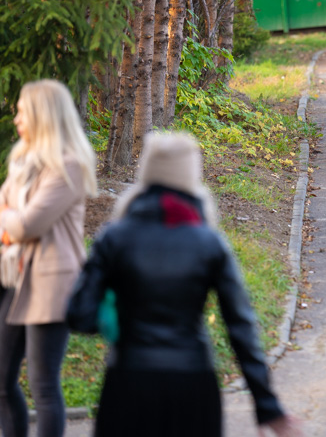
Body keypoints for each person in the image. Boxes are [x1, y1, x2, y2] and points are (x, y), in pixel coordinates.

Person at [66, 133, 300, 437]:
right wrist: (267, 407)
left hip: (128, 382)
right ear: (192, 179)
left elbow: (79, 316)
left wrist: (116, 311)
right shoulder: (209, 243)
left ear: (145, 176)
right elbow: (241, 327)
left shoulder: (114, 238)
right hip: (193, 385)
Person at [0, 79, 97, 437]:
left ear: (42, 115)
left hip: (51, 285)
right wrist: (11, 221)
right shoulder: (23, 161)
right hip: (15, 279)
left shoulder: (68, 166)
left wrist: (10, 222)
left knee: (42, 385)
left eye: (23, 111)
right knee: (2, 381)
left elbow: (27, 225)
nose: (16, 119)